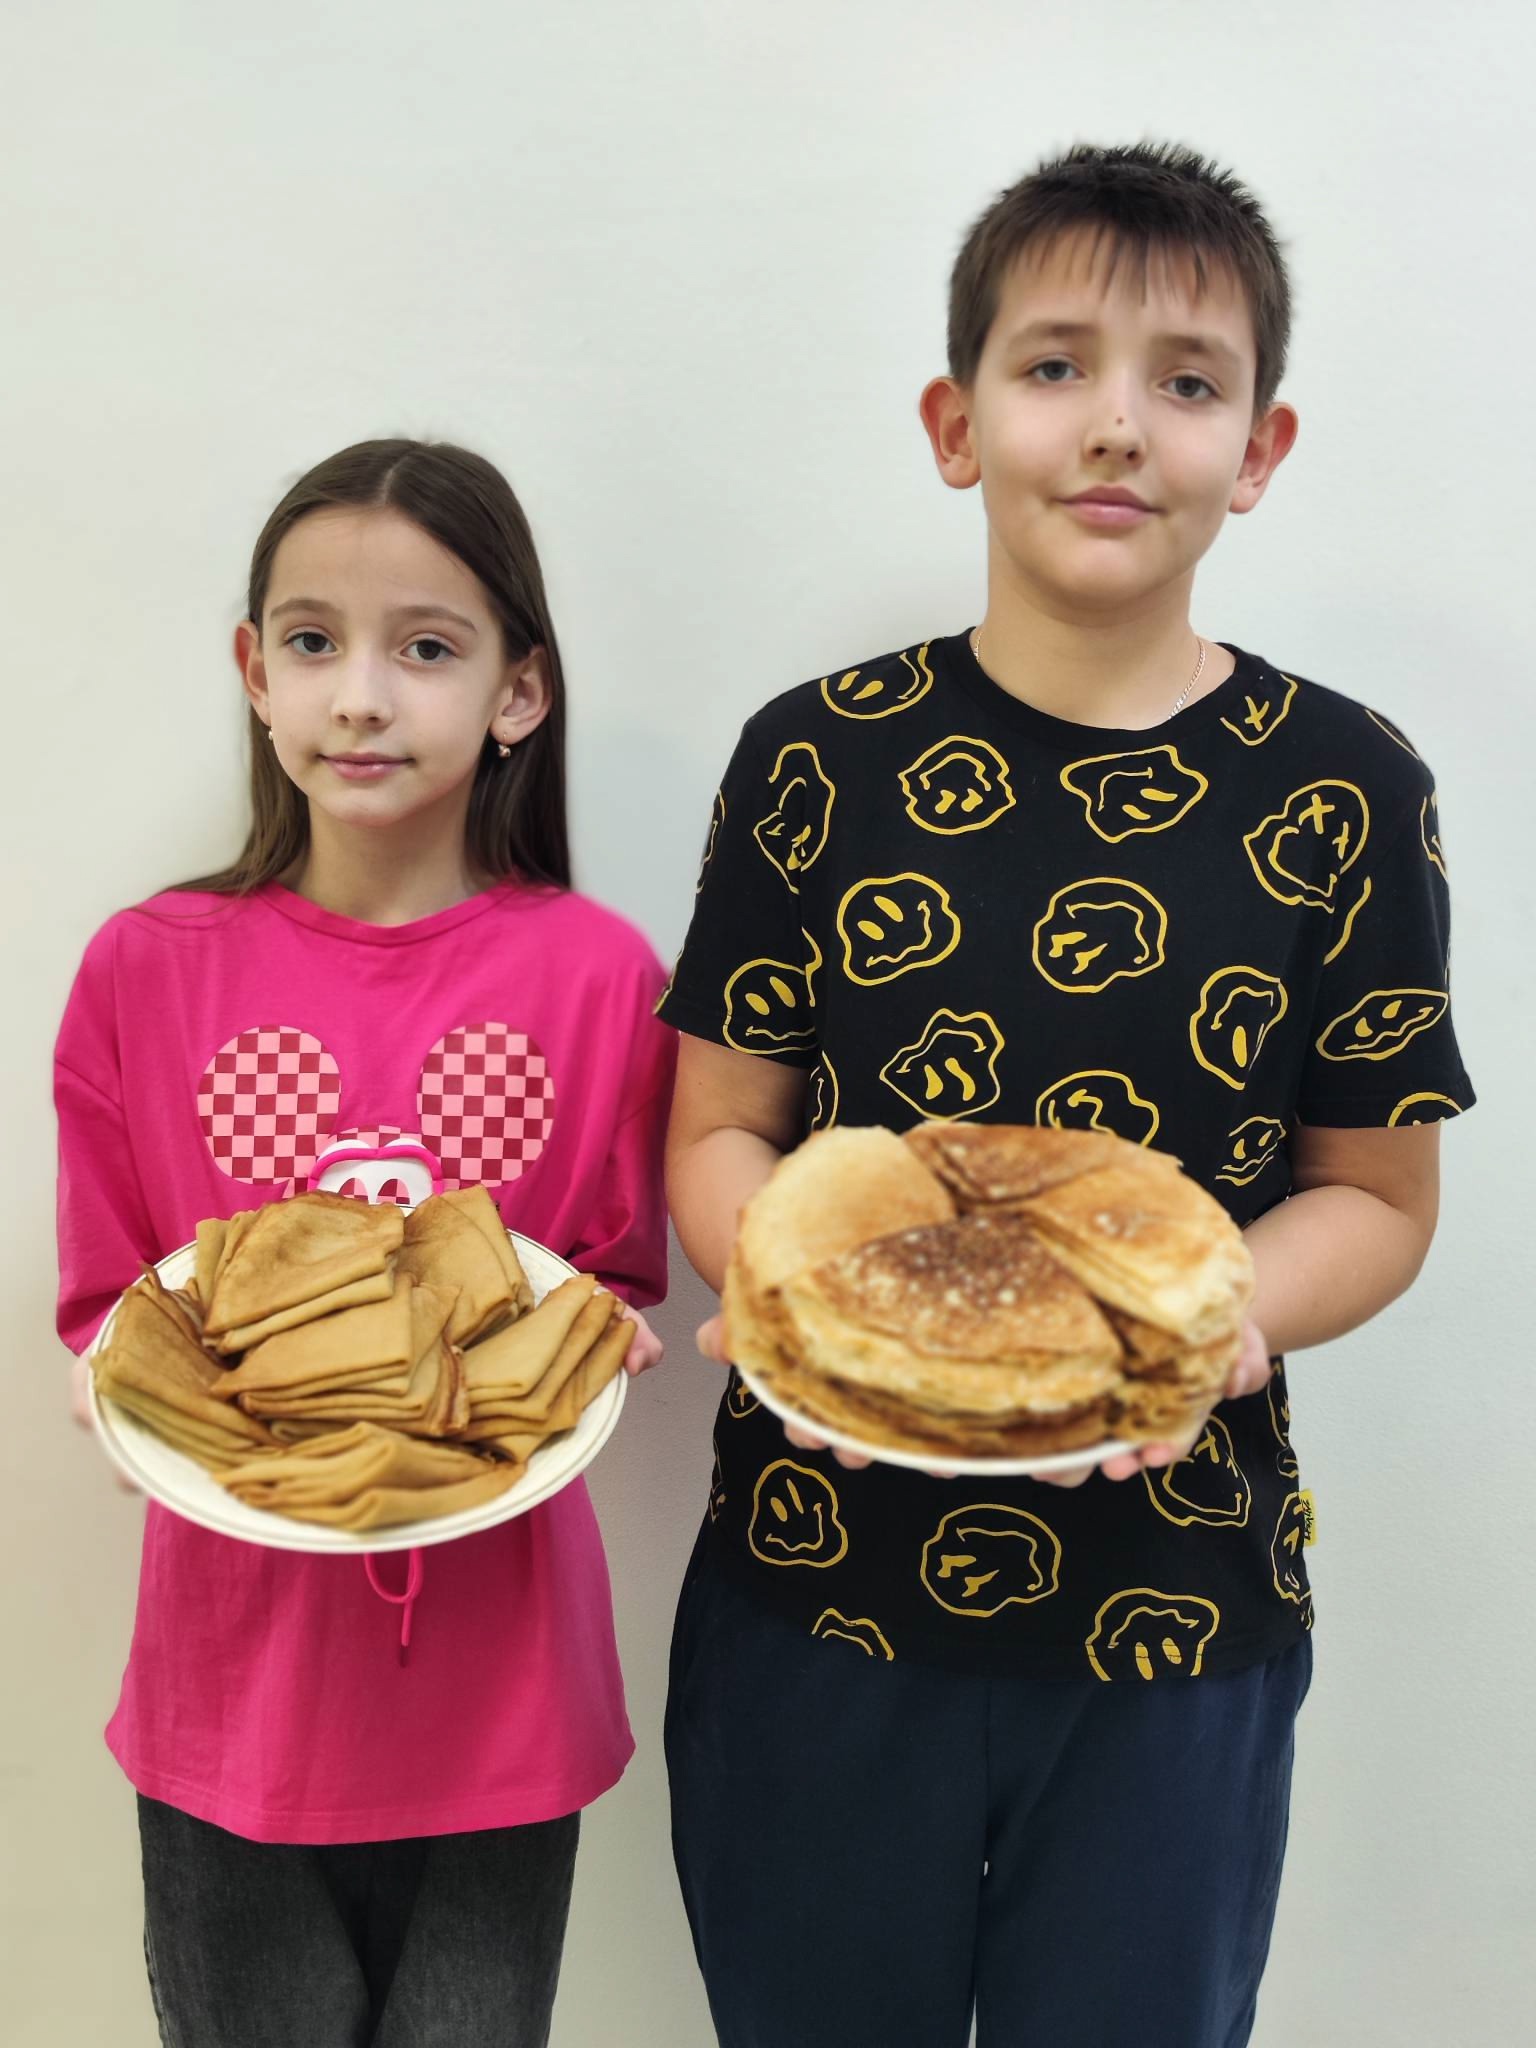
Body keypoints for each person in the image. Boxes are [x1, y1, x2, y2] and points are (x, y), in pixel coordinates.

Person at [658, 143, 1473, 2048]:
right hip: (819, 1589)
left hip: (1175, 1612)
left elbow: (1377, 1196)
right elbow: (717, 1130)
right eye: (1054, 365)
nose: (1117, 423)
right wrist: (791, 1305)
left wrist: (1212, 1322)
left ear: (1258, 449)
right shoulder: (816, 759)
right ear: (957, 424)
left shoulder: (1348, 788)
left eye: (1186, 380)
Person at [54, 438, 675, 2047]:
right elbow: (116, 1302)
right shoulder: (146, 970)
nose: (361, 697)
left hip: (504, 1705)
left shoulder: (605, 980)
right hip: (234, 1700)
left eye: (427, 647)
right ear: (254, 673)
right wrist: (110, 1384)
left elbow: (601, 1282)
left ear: (519, 692)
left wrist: (610, 1334)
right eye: (315, 641)